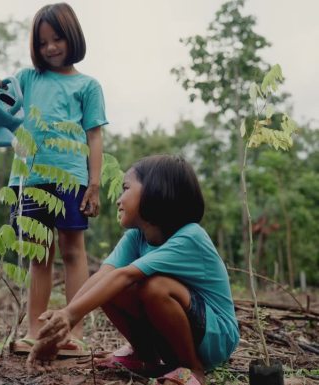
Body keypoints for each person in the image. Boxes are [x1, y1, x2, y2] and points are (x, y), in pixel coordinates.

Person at [28, 155, 240, 385]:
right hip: (176, 334)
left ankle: (192, 369)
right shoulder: (135, 237)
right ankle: (145, 357)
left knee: (155, 287)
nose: (119, 200)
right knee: (107, 286)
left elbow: (125, 275)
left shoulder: (190, 236)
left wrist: (68, 317)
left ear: (155, 191)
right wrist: (64, 318)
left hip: (216, 338)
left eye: (126, 188)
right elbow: (103, 276)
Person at [0, 2, 108, 357]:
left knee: (72, 250)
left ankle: (73, 329)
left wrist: (94, 184)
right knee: (39, 254)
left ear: (73, 38)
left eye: (58, 39)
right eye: (43, 42)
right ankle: (36, 329)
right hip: (29, 177)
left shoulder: (88, 86)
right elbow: (0, 103)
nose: (51, 47)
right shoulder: (27, 78)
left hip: (70, 178)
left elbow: (94, 136)